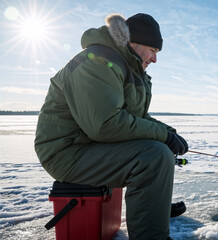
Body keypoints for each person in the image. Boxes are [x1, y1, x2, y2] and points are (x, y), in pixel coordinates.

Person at [35, 13, 188, 239]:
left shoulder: (126, 67)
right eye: (153, 50)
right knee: (154, 156)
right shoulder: (96, 61)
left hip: (89, 146)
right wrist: (162, 137)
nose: (155, 59)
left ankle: (153, 211)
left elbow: (136, 117)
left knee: (160, 151)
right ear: (133, 42)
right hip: (67, 153)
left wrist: (168, 133)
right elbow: (105, 124)